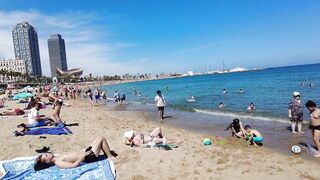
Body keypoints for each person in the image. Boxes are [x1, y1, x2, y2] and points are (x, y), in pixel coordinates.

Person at [34, 136, 117, 171]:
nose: (47, 153)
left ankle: (107, 153)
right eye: (46, 155)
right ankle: (109, 156)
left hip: (86, 152)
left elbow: (72, 155)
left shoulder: (57, 156)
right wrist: (83, 156)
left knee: (99, 138)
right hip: (89, 157)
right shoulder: (58, 162)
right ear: (48, 161)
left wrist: (83, 151)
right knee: (101, 138)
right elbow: (73, 165)